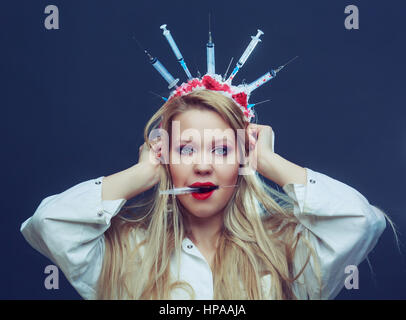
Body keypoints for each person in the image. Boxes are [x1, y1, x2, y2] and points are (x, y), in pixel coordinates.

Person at [20, 89, 388, 300]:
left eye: (222, 150)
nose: (202, 166)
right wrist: (140, 174)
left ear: (243, 160)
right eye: (186, 149)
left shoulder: (285, 252)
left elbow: (361, 222)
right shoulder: (126, 252)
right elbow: (48, 225)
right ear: (164, 157)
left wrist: (270, 161)